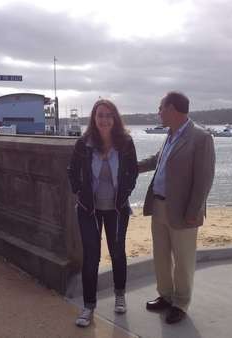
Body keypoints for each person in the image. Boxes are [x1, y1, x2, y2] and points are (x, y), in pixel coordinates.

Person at [138, 91, 215, 324]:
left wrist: (194, 211)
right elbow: (157, 160)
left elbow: (204, 178)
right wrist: (131, 166)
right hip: (159, 205)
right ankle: (165, 296)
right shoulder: (170, 135)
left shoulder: (201, 137)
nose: (158, 112)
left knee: (183, 259)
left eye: (160, 108)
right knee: (161, 255)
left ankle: (180, 303)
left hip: (183, 211)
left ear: (172, 109)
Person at [67, 99, 138, 327]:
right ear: (94, 118)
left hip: (117, 209)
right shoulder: (83, 144)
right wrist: (78, 192)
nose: (104, 119)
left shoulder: (126, 143)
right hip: (89, 210)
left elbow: (133, 172)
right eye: (100, 115)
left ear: (115, 118)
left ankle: (119, 295)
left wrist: (125, 192)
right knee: (91, 257)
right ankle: (88, 307)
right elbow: (72, 171)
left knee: (117, 253)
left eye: (109, 115)